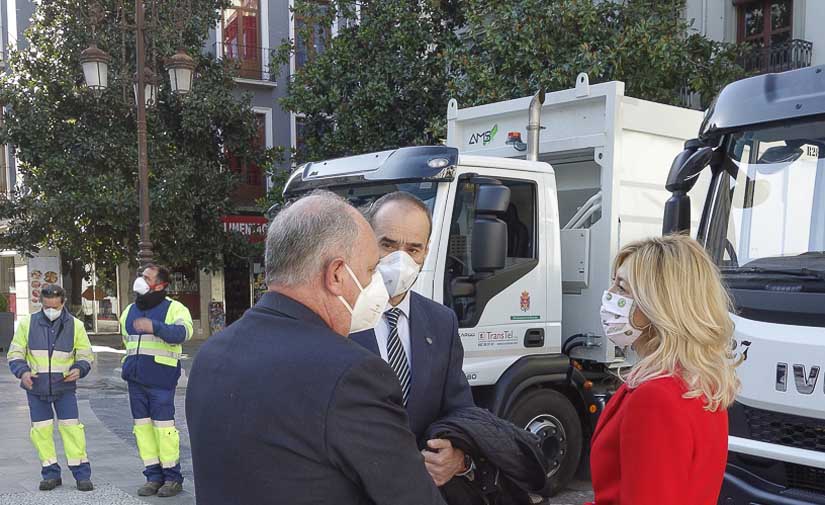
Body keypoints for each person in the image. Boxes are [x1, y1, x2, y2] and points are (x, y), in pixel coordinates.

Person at [186, 191, 446, 505]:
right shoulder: (351, 374)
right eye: (370, 270)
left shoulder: (212, 353)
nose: (378, 283)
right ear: (337, 274)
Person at [587, 235, 739, 505]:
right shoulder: (702, 381)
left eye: (621, 287)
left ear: (657, 304)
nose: (609, 294)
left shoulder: (654, 398)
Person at [354, 192, 475, 487]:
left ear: (426, 252)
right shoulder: (340, 316)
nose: (401, 259)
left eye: (413, 249)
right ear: (367, 242)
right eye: (388, 244)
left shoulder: (441, 322)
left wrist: (458, 455)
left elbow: (460, 410)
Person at [7, 284, 94, 492]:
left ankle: (81, 475)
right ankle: (50, 474)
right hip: (36, 388)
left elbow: (85, 354)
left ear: (63, 303)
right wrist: (23, 372)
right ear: (41, 303)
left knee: (72, 431)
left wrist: (79, 369)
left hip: (64, 388)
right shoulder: (27, 323)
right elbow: (15, 353)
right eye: (46, 306)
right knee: (41, 432)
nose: (50, 310)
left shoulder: (76, 325)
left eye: (54, 306)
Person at [119, 264, 193, 498]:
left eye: (146, 277)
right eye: (141, 275)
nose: (140, 280)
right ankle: (152, 476)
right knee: (142, 428)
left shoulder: (175, 308)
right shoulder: (130, 310)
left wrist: (155, 327)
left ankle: (172, 478)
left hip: (161, 379)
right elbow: (126, 341)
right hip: (135, 379)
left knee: (164, 429)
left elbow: (183, 334)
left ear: (160, 284)